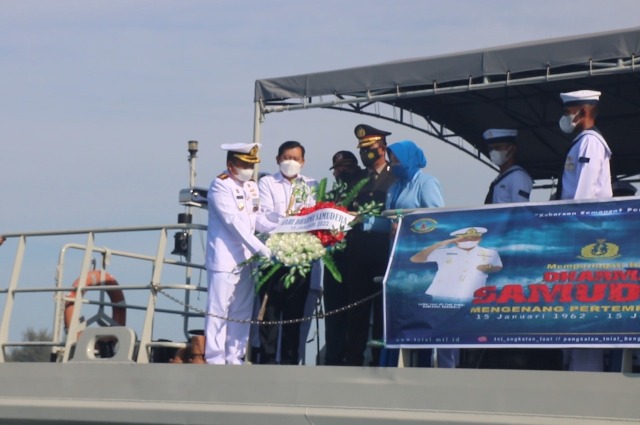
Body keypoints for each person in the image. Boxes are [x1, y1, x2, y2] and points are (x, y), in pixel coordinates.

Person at [555, 89, 612, 372]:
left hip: (584, 235)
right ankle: (574, 367)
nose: (566, 117)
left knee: (584, 306)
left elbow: (583, 194)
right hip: (578, 235)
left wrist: (569, 230)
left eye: (569, 111)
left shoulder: (590, 143)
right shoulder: (580, 143)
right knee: (572, 307)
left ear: (584, 111)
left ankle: (585, 372)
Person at [204, 143, 274, 365]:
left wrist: (282, 226)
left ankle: (235, 357)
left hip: (247, 259)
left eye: (251, 165)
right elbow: (234, 222)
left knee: (242, 310)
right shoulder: (220, 186)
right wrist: (259, 247)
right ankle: (215, 358)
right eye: (244, 164)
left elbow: (256, 219)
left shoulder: (252, 187)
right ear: (230, 164)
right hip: (225, 258)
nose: (248, 169)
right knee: (219, 309)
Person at [257, 140, 318, 364]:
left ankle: (291, 361)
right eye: (286, 158)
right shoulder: (267, 183)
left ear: (303, 162)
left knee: (295, 314)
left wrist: (292, 225)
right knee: (270, 312)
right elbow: (264, 216)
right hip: (273, 257)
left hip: (300, 258)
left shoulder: (311, 185)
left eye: (295, 158)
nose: (290, 162)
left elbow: (313, 216)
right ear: (277, 159)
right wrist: (288, 225)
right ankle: (267, 359)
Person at [344, 124, 397, 366]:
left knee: (381, 310)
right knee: (356, 311)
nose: (366, 154)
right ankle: (353, 357)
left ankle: (379, 360)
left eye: (371, 149)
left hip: (382, 253)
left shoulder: (395, 177)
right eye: (363, 150)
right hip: (357, 254)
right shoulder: (356, 178)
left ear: (383, 149)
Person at [323, 151, 367, 365]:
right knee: (333, 312)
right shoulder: (332, 195)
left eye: (347, 166)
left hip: (357, 257)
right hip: (334, 258)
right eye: (338, 168)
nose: (342, 171)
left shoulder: (365, 188)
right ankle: (333, 357)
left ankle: (353, 358)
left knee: (355, 314)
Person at [410, 227, 502, 301]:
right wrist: (441, 244)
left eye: (473, 238)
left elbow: (498, 267)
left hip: (473, 295)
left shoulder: (490, 253)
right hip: (442, 295)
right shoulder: (444, 252)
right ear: (456, 240)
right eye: (464, 239)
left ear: (479, 239)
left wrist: (490, 268)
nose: (469, 241)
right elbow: (416, 259)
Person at [482, 129, 532, 204]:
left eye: (498, 147)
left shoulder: (518, 176)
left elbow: (521, 210)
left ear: (512, 149)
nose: (493, 152)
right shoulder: (500, 179)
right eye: (491, 149)